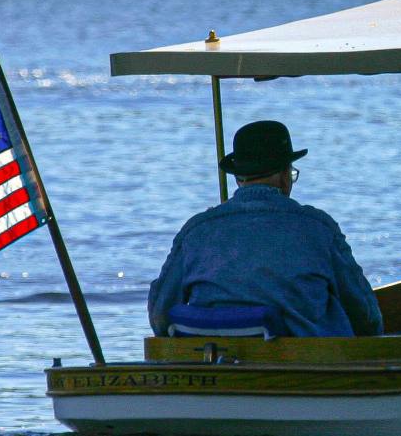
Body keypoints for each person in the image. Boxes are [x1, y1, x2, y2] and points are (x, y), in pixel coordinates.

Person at [148, 120, 383, 338]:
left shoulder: (196, 231)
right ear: (284, 177)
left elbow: (160, 317)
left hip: (212, 363)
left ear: (239, 178)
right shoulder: (318, 228)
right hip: (307, 367)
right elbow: (367, 318)